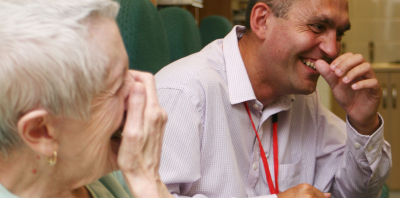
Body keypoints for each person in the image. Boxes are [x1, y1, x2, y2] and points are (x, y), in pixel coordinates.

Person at [154, 0, 392, 197]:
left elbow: (357, 193)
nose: (332, 50)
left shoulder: (302, 98)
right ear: (262, 21)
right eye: (318, 27)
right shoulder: (183, 92)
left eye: (339, 34)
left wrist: (363, 123)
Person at [0, 0, 175, 197]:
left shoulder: (95, 170)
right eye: (118, 85)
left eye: (129, 70)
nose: (139, 88)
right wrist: (147, 185)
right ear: (41, 131)